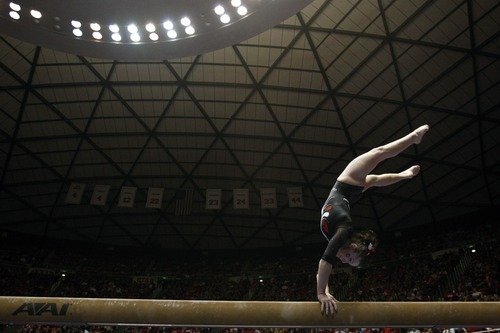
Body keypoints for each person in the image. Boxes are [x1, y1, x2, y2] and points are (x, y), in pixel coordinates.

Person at [317, 124, 430, 316]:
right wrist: (321, 293)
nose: (344, 261)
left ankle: (404, 175)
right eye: (350, 258)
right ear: (353, 246)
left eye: (347, 262)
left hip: (348, 194)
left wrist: (326, 290)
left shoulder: (339, 239)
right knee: (379, 153)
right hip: (345, 183)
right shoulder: (343, 231)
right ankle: (413, 137)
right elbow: (324, 262)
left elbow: (322, 270)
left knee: (375, 180)